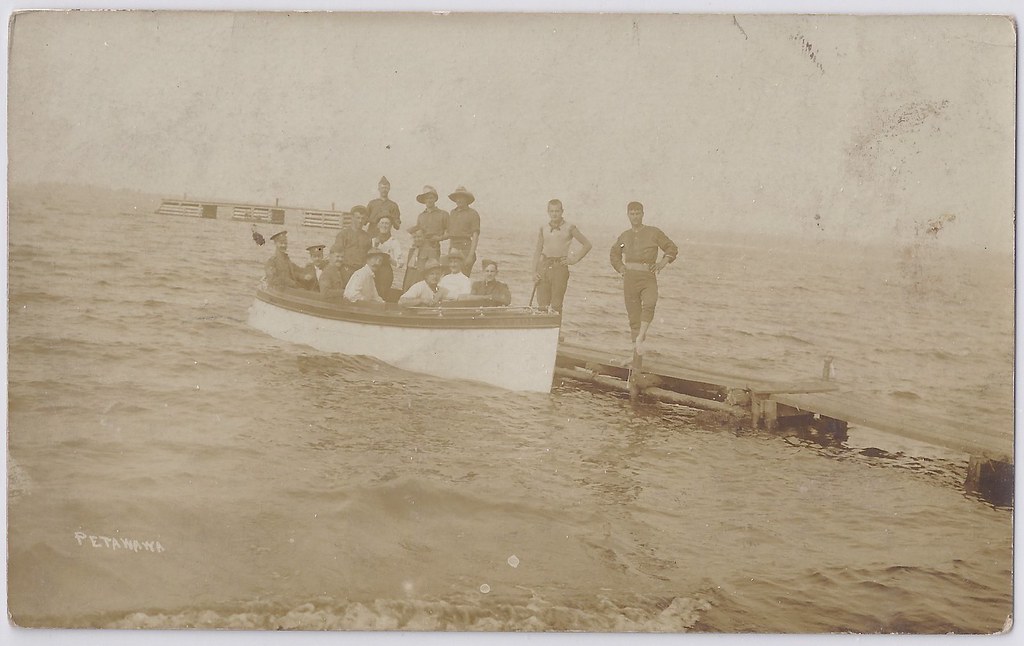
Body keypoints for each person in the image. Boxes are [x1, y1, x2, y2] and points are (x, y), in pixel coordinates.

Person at [609, 201, 679, 355]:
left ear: (643, 214)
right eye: (632, 214)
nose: (635, 217)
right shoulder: (624, 237)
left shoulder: (653, 233)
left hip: (648, 277)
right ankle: (636, 358)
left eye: (638, 213)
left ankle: (641, 336)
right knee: (634, 319)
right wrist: (621, 268)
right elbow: (614, 253)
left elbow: (671, 247)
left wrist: (662, 263)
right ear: (628, 215)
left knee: (649, 303)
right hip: (630, 279)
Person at [532, 199, 592, 314]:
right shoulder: (543, 228)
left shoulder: (570, 227)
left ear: (562, 211)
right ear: (548, 212)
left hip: (559, 268)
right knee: (542, 305)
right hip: (544, 267)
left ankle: (555, 330)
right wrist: (533, 272)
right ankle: (544, 330)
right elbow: (537, 252)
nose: (554, 214)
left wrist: (573, 260)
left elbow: (587, 245)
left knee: (556, 305)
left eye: (557, 211)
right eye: (552, 211)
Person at [407, 185, 448, 265]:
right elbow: (417, 232)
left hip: (434, 247)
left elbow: (450, 232)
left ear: (435, 199)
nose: (429, 200)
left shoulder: (443, 214)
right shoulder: (421, 216)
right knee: (420, 271)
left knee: (432, 270)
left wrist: (439, 238)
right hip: (421, 248)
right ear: (424, 200)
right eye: (427, 198)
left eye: (431, 198)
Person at [334, 205, 373, 286]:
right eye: (358, 218)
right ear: (352, 217)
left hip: (361, 272)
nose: (360, 221)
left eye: (363, 218)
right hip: (346, 270)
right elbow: (336, 255)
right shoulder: (343, 235)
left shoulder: (367, 237)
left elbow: (369, 257)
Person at [447, 186, 480, 276]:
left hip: (465, 248)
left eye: (461, 197)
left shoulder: (473, 213)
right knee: (451, 275)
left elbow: (475, 236)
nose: (458, 200)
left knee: (463, 275)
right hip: (453, 247)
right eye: (457, 198)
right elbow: (451, 234)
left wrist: (470, 255)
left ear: (466, 199)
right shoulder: (452, 212)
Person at [371, 216, 403, 301]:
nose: (384, 226)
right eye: (382, 223)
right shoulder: (373, 241)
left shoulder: (394, 242)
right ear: (378, 225)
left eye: (387, 223)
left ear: (391, 226)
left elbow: (400, 264)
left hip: (385, 272)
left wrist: (389, 259)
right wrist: (375, 247)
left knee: (382, 295)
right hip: (372, 271)